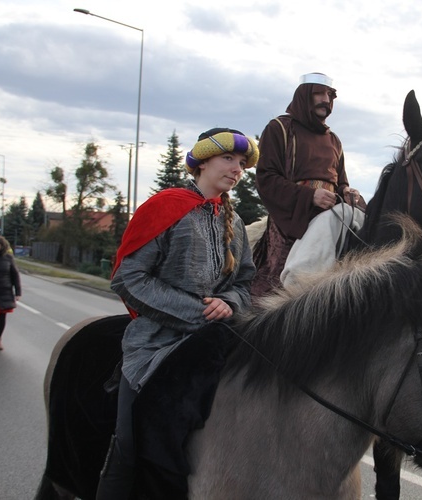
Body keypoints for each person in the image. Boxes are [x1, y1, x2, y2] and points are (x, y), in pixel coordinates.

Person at [96, 128, 257, 500]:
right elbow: (128, 278)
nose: (237, 169)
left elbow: (246, 282)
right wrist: (201, 314)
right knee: (128, 446)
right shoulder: (165, 208)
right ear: (202, 162)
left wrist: (230, 303)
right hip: (157, 346)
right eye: (228, 159)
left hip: (219, 340)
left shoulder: (233, 223)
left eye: (242, 164)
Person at [251, 72, 361, 297]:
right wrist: (309, 196)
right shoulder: (280, 128)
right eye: (319, 94)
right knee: (283, 289)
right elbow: (266, 177)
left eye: (329, 96)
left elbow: (340, 181)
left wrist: (347, 192)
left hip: (332, 219)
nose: (326, 101)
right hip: (293, 218)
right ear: (304, 96)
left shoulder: (334, 140)